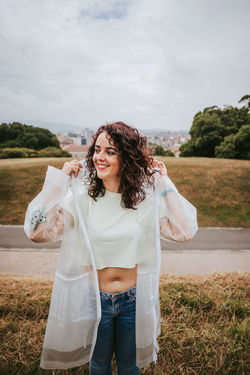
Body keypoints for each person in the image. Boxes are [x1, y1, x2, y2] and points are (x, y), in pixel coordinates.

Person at [24, 121, 198, 375]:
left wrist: (163, 181)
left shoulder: (144, 202)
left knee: (129, 366)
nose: (99, 157)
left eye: (110, 151)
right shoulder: (81, 201)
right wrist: (59, 182)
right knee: (99, 365)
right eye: (97, 149)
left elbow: (184, 231)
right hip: (95, 300)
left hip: (133, 300)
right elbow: (36, 232)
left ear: (126, 157)